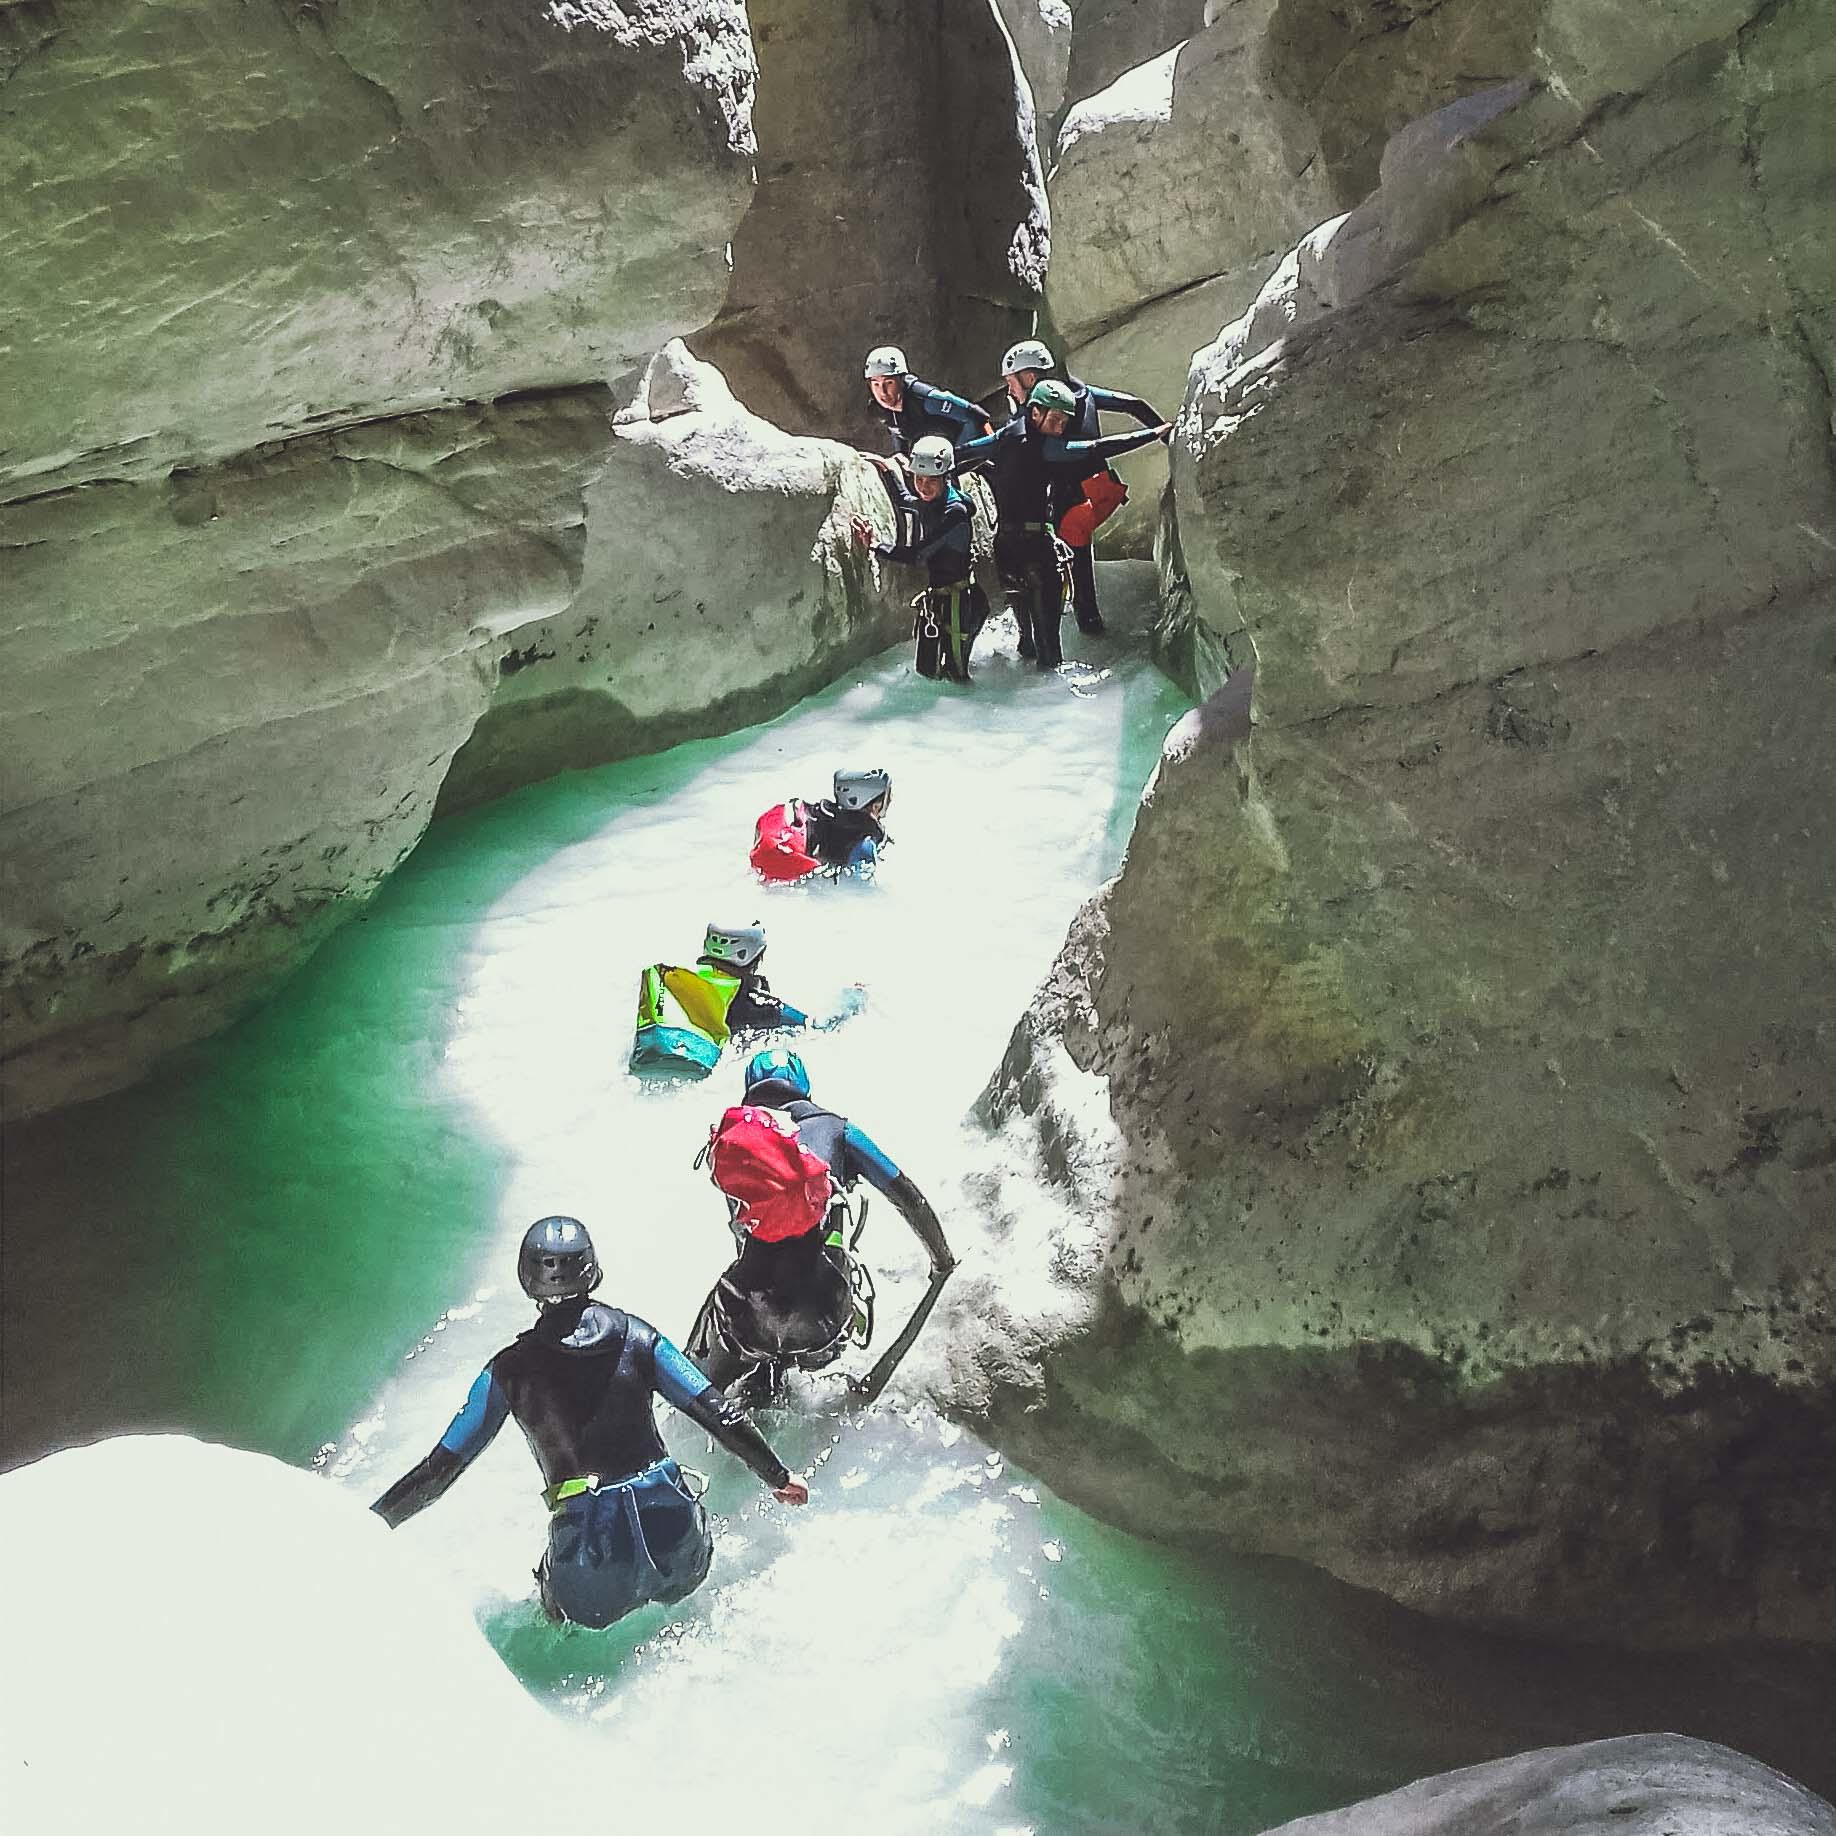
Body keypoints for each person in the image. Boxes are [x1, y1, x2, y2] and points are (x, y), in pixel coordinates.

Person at [372, 1216, 808, 1630]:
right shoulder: (639, 1338)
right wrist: (779, 1476)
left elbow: (441, 1469)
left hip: (591, 1564)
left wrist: (367, 1525)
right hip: (675, 1541)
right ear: (592, 1271)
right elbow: (718, 1412)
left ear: (528, 1281)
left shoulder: (508, 1371)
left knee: (556, 1605)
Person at [688, 1049, 956, 1394]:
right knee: (812, 1371)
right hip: (823, 1310)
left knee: (714, 1392)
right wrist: (942, 1261)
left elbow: (743, 1231)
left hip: (748, 1312)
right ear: (803, 1086)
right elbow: (909, 1199)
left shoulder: (737, 1144)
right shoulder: (838, 1131)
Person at [951, 379, 1170, 669]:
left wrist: (912, 463)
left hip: (1004, 552)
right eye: (1054, 420)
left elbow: (961, 454)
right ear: (1035, 412)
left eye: (1064, 423)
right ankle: (1050, 699)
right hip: (1036, 553)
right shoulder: (1046, 448)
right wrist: (1151, 434)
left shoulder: (1004, 437)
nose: (1059, 429)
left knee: (1026, 643)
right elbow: (1096, 448)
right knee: (1050, 655)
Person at [999, 339, 1167, 636]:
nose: (1009, 390)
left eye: (1011, 383)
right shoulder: (1082, 391)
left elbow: (1022, 446)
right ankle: (1079, 617)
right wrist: (1165, 433)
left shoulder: (1040, 414)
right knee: (1074, 560)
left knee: (1058, 560)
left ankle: (1081, 625)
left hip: (1076, 507)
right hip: (1103, 492)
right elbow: (1133, 405)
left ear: (1029, 378)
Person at [851, 436, 988, 682]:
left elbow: (918, 556)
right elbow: (906, 501)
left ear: (945, 478)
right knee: (929, 672)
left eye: (931, 481)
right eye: (918, 479)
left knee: (957, 676)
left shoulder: (953, 511)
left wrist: (875, 546)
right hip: (946, 599)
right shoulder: (936, 499)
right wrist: (885, 469)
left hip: (960, 604)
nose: (923, 487)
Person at [751, 768, 894, 881]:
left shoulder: (823, 813)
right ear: (875, 806)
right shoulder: (865, 843)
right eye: (888, 795)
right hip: (791, 874)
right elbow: (859, 890)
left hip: (769, 856)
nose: (891, 799)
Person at [863, 345, 991, 458]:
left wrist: (957, 456)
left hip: (971, 454)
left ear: (902, 380)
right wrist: (901, 458)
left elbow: (977, 416)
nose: (883, 392)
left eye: (889, 383)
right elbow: (898, 432)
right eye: (876, 384)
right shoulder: (880, 409)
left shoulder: (927, 400)